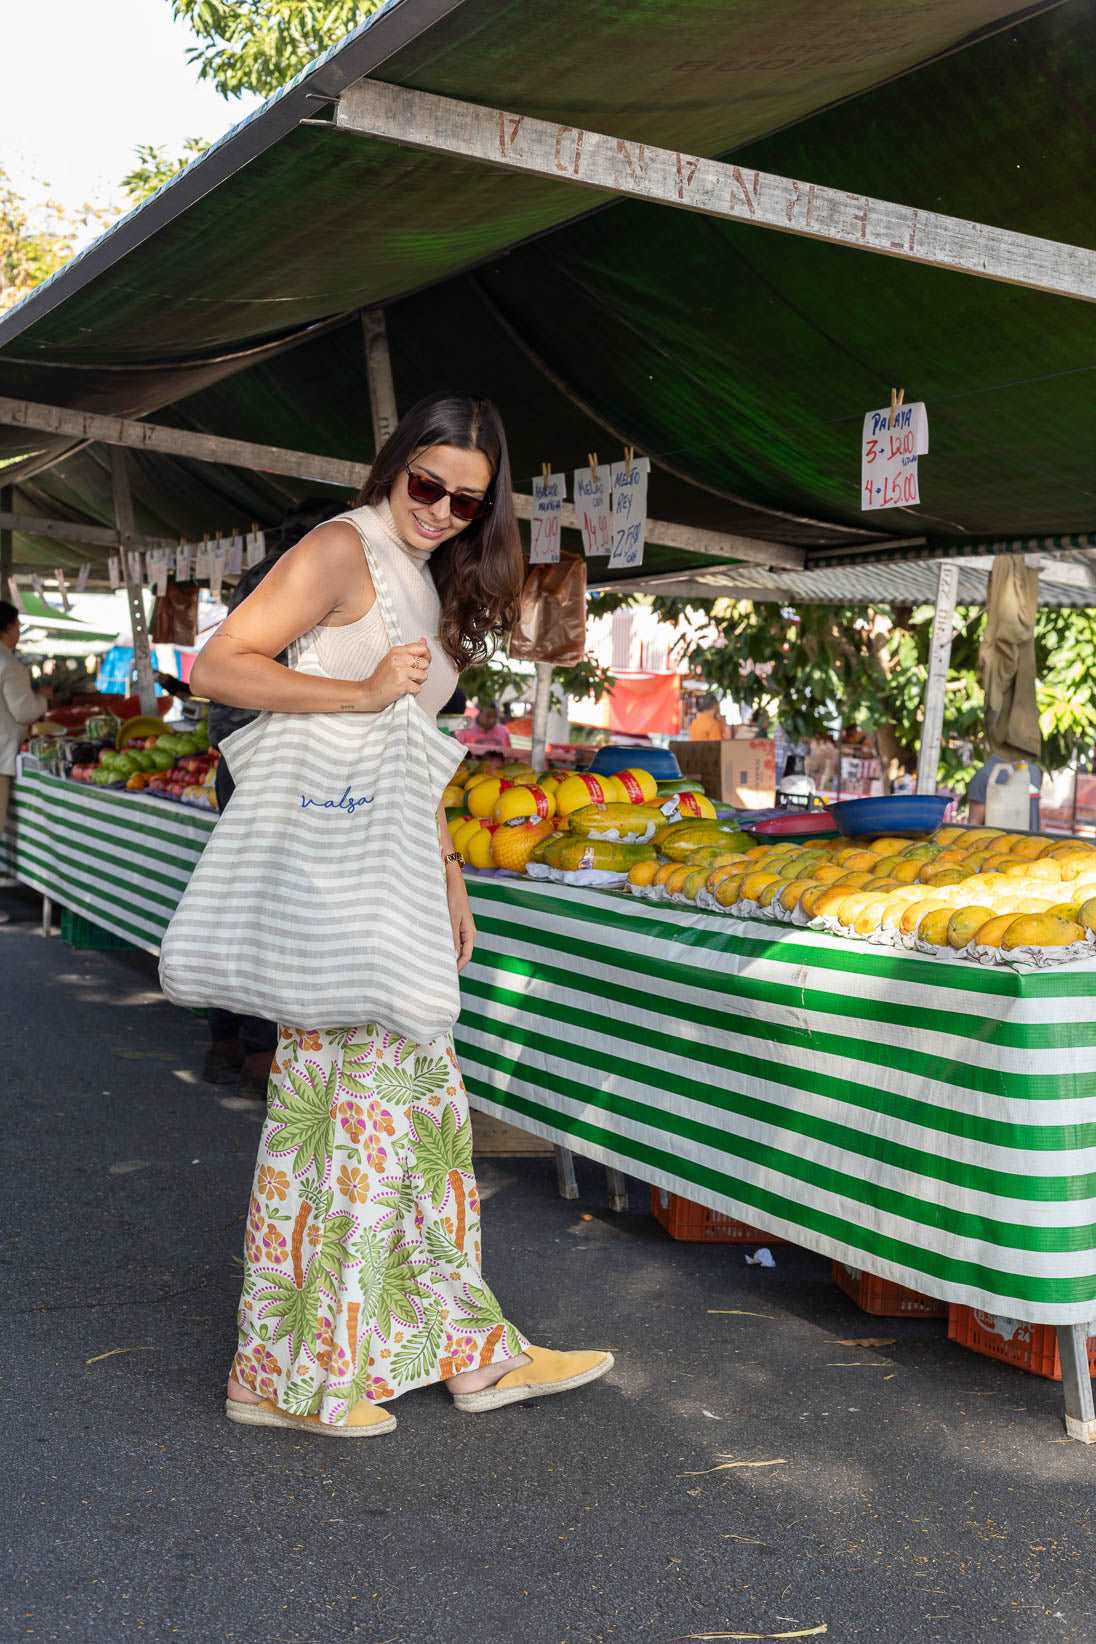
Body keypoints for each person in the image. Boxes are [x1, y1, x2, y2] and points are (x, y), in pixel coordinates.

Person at [190, 393, 614, 1437]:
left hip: (386, 881)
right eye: (427, 485)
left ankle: (444, 1357)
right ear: (391, 467)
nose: (440, 509)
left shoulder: (425, 576)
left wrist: (450, 875)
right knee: (363, 1132)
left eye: (466, 501)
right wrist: (366, 691)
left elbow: (403, 764)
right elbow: (217, 666)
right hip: (334, 890)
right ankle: (306, 1379)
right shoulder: (342, 548)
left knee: (406, 1127)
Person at [200, 498, 346, 1095]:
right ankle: (263, 1049)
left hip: (236, 757)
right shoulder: (308, 581)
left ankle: (225, 1039)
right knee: (274, 909)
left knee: (240, 897)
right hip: (280, 763)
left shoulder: (253, 579)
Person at [0, 601, 49, 923]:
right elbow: (25, 711)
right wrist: (43, 697)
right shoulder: (9, 663)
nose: (19, 633)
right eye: (17, 627)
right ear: (5, 627)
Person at [967, 753, 1043, 831]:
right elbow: (974, 823)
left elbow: (1035, 814)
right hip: (998, 841)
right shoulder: (984, 775)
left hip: (1033, 841)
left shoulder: (1034, 771)